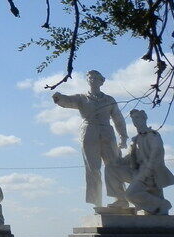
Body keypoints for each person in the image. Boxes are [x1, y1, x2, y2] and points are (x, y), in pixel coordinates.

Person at [52, 70, 131, 208]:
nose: (93, 80)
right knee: (93, 168)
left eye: (96, 77)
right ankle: (97, 201)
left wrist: (123, 136)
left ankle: (121, 199)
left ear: (102, 81)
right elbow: (68, 101)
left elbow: (118, 118)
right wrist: (59, 98)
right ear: (87, 81)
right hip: (89, 132)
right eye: (90, 78)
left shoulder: (109, 100)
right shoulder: (82, 98)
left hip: (107, 131)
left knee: (113, 165)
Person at [123, 109, 174, 214]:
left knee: (130, 194)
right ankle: (156, 207)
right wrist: (116, 160)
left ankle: (162, 204)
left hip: (149, 170)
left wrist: (149, 169)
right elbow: (129, 157)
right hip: (138, 171)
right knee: (112, 169)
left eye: (137, 117)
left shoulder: (152, 135)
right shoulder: (136, 139)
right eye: (133, 119)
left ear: (144, 118)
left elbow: (157, 151)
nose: (135, 121)